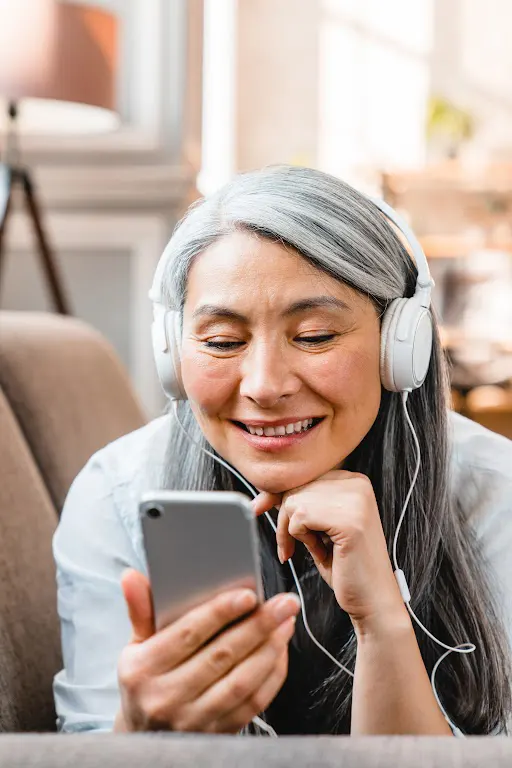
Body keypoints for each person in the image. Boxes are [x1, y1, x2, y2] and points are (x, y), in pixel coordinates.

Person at [53, 165, 512, 736]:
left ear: (401, 345)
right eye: (222, 342)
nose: (265, 386)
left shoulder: (496, 492)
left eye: (315, 336)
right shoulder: (118, 495)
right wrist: (137, 730)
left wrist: (382, 624)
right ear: (173, 355)